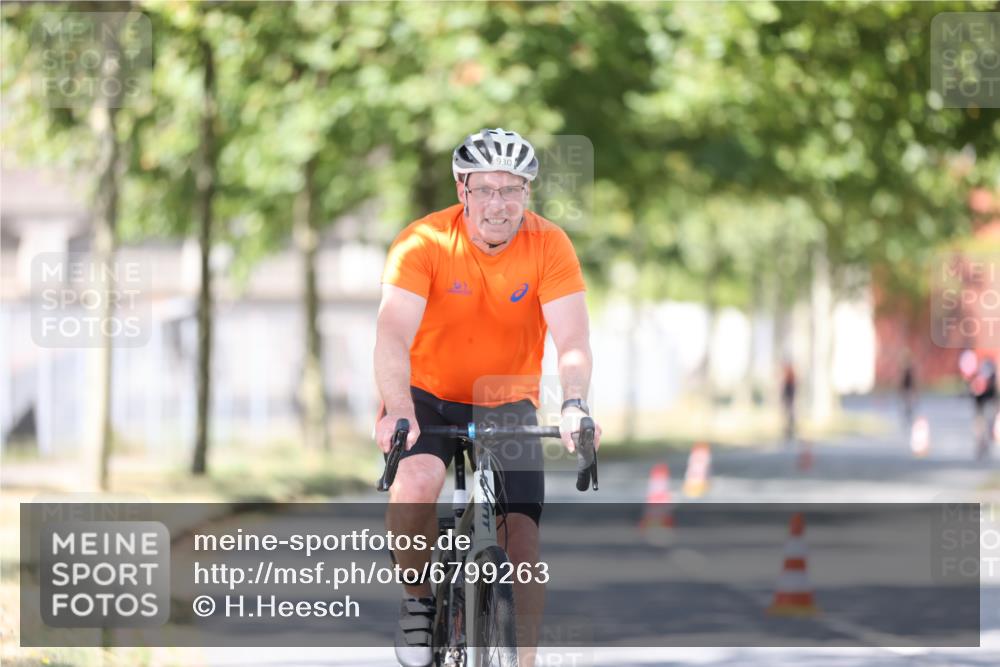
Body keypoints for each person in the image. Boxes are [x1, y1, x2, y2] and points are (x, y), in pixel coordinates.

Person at [373, 128, 601, 667]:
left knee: (521, 541)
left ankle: (522, 661)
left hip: (506, 399)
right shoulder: (422, 242)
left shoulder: (549, 244)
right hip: (425, 394)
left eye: (512, 189)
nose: (499, 203)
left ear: (527, 193)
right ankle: (417, 603)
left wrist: (574, 403)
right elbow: (391, 333)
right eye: (486, 189)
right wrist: (398, 410)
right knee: (417, 482)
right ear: (462, 190)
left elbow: (572, 341)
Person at [780, 361, 796, 445]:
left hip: (789, 390)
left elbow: (792, 387)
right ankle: (787, 430)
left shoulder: (790, 373)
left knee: (789, 412)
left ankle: (789, 430)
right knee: (787, 412)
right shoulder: (787, 373)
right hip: (788, 390)